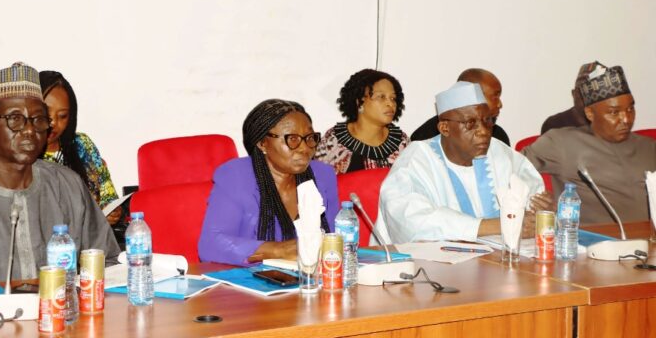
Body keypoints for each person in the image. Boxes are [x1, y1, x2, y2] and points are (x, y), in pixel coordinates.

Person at [0, 62, 120, 283]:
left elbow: (108, 264)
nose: (29, 130)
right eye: (15, 119)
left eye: (38, 120)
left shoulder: (69, 186)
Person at [374, 81, 550, 243]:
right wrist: (496, 225)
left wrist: (544, 210)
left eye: (487, 121)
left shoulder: (501, 153)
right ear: (445, 128)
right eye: (471, 123)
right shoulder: (417, 158)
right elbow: (410, 221)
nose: (483, 132)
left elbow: (531, 197)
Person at [198, 99, 339, 266]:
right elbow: (210, 245)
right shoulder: (235, 176)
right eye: (292, 139)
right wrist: (279, 250)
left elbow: (333, 238)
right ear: (262, 143)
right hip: (250, 284)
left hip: (309, 280)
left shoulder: (323, 175)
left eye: (309, 138)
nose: (305, 148)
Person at [523, 64, 656, 224]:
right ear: (590, 113)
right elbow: (508, 166)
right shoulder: (562, 143)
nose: (626, 119)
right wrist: (534, 201)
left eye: (630, 109)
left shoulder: (649, 146)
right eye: (614, 112)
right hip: (597, 244)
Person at [40, 71, 122, 225]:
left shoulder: (83, 145)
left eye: (62, 116)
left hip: (92, 244)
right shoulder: (21, 152)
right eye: (46, 113)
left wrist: (112, 211)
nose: (53, 123)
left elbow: (108, 195)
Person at [314, 69, 409, 174]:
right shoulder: (333, 140)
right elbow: (318, 182)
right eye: (381, 97)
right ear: (359, 101)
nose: (390, 103)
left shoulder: (402, 143)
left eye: (393, 98)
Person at [411, 68, 510, 146]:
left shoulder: (499, 136)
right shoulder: (425, 137)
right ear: (472, 93)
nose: (500, 104)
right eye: (495, 96)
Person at [540, 61, 597, 134]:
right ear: (573, 94)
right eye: (583, 94)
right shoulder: (554, 125)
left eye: (594, 94)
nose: (589, 99)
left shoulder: (610, 123)